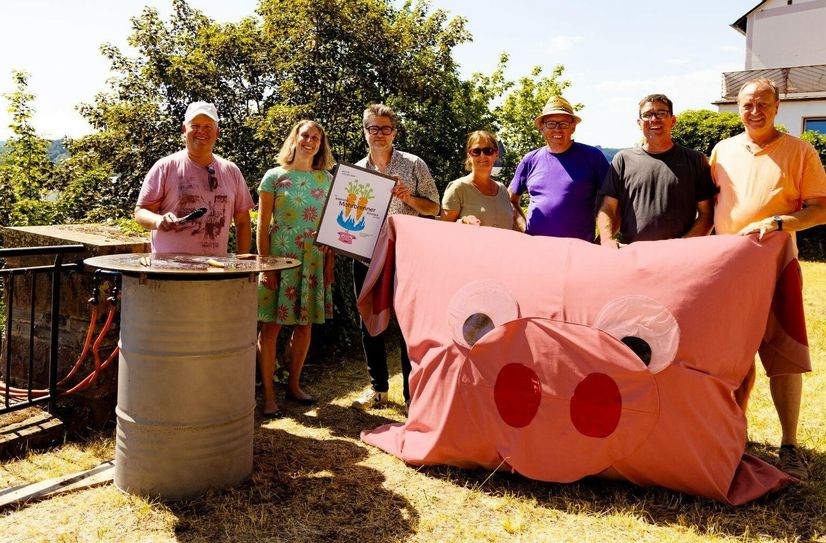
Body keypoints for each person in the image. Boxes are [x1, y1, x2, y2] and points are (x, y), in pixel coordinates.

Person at [710, 78, 826, 480]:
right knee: (731, 356)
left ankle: (790, 444)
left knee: (783, 355)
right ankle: (734, 435)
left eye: (762, 104)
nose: (754, 111)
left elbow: (820, 209)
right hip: (728, 272)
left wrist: (779, 222)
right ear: (738, 108)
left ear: (777, 107)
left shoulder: (800, 151)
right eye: (747, 105)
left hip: (777, 269)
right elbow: (711, 209)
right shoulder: (722, 151)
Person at [351, 103, 440, 410]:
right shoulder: (356, 172)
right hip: (365, 256)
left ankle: (412, 393)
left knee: (406, 324)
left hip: (405, 255)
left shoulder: (414, 164)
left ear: (395, 132)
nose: (379, 134)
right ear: (365, 132)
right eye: (373, 128)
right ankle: (378, 388)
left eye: (385, 129)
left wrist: (409, 198)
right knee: (369, 321)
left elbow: (435, 208)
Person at [257, 120, 336, 418]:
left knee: (304, 326)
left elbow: (333, 228)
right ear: (295, 139)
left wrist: (330, 263)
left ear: (320, 144)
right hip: (280, 260)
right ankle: (268, 396)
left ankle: (294, 385)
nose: (310, 141)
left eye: (316, 137)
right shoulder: (274, 177)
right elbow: (263, 226)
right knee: (271, 327)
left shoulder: (326, 179)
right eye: (305, 135)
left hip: (313, 261)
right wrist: (265, 266)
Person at [597, 94, 716, 246]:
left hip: (679, 258)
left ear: (673, 121)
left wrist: (684, 246)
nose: (654, 119)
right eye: (647, 115)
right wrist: (607, 239)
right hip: (632, 256)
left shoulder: (695, 160)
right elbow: (608, 208)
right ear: (639, 123)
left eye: (661, 113)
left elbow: (707, 214)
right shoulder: (623, 160)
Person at [135, 101, 253, 255]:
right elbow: (141, 212)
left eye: (207, 126)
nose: (201, 131)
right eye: (195, 125)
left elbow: (243, 222)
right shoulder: (165, 167)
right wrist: (158, 220)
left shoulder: (231, 171)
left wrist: (242, 262)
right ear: (184, 129)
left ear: (217, 132)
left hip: (214, 270)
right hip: (168, 270)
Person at [508, 95, 609, 241]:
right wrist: (525, 232)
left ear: (573, 127)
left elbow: (614, 201)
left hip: (578, 251)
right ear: (541, 127)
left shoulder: (593, 157)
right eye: (551, 124)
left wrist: (603, 240)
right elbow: (510, 200)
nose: (557, 129)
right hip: (537, 251)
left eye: (563, 124)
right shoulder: (530, 160)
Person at [439, 130, 513, 229]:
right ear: (469, 156)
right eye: (476, 151)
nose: (482, 156)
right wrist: (462, 223)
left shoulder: (503, 190)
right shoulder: (458, 188)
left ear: (496, 154)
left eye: (488, 151)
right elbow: (443, 230)